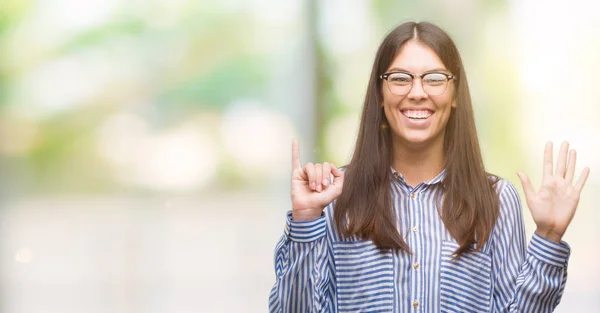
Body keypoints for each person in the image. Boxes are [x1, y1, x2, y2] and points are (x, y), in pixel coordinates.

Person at [268, 21, 590, 313]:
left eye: (435, 79)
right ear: (380, 93)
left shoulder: (495, 200)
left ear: (454, 94)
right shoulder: (335, 197)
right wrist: (306, 220)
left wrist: (548, 235)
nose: (418, 92)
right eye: (400, 79)